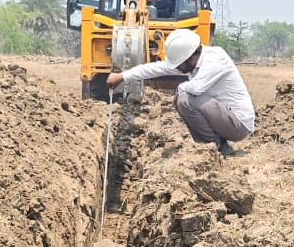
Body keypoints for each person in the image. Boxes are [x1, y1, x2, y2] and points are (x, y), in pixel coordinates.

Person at [106, 28, 254, 155]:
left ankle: (211, 147)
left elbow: (196, 87)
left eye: (178, 65)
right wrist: (122, 76)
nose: (177, 69)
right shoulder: (192, 61)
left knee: (185, 100)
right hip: (225, 118)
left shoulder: (214, 58)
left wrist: (178, 90)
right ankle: (217, 144)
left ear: (191, 57)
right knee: (185, 98)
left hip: (238, 124)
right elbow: (155, 68)